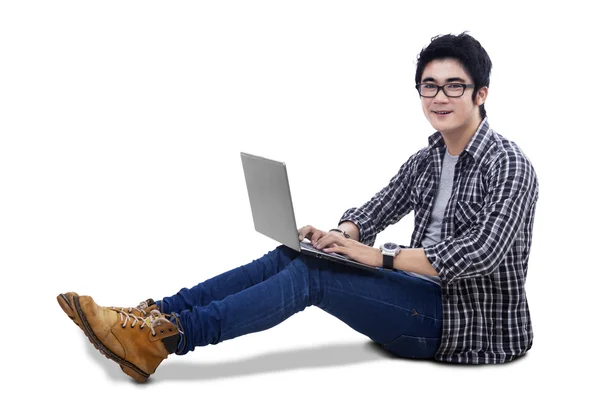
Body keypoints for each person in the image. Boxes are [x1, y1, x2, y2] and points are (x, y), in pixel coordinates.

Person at [58, 32, 539, 383]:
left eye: (454, 86)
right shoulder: (430, 157)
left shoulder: (510, 165)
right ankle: (151, 315)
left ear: (481, 94)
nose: (439, 97)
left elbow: (480, 253)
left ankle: (162, 342)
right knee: (297, 255)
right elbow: (377, 208)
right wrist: (343, 235)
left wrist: (381, 257)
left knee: (313, 278)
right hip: (415, 293)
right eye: (429, 86)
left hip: (458, 324)